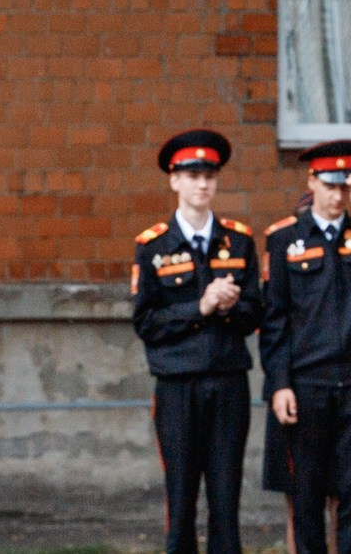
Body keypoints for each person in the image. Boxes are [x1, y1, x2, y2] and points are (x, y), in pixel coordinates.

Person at [261, 141, 351, 554]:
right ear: (312, 182)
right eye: (330, 185)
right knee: (307, 491)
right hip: (309, 381)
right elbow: (275, 319)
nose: (337, 195)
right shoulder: (285, 239)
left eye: (345, 186)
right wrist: (280, 383)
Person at [134, 129, 260, 554]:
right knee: (181, 496)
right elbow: (146, 322)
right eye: (192, 175)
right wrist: (200, 307)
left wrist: (229, 307)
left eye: (209, 175)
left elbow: (256, 315)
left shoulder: (238, 241)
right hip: (178, 384)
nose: (202, 184)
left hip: (227, 381)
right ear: (174, 180)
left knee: (226, 496)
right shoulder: (153, 246)